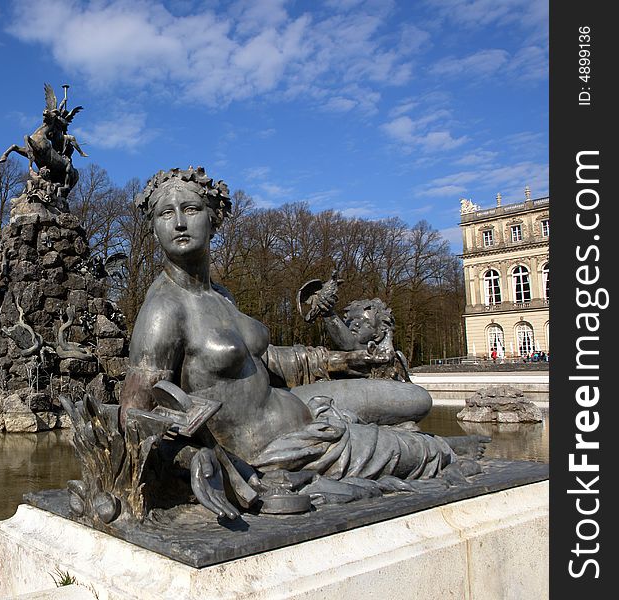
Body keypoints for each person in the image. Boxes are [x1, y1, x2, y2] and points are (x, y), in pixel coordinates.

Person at [119, 167, 486, 518]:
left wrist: (342, 361)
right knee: (419, 451)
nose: (179, 222)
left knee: (416, 401)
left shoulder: (220, 295)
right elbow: (134, 417)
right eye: (166, 213)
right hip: (276, 450)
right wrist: (197, 464)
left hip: (301, 408)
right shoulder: (164, 310)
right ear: (153, 230)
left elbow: (264, 360)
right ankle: (444, 450)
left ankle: (430, 446)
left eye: (191, 209)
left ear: (213, 220)